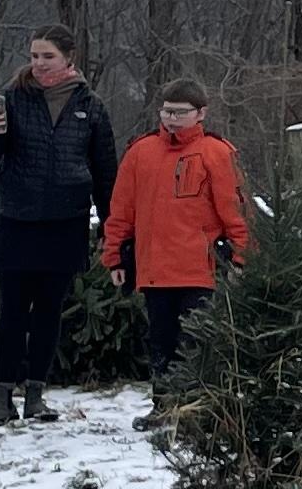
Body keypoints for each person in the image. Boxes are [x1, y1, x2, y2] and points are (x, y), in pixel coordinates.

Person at [0, 22, 117, 425]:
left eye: (48, 56)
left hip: (67, 221)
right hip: (17, 219)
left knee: (48, 311)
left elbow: (104, 171)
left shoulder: (90, 105)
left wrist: (111, 225)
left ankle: (35, 394)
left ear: (69, 59)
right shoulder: (13, 98)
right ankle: (1, 397)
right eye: (34, 56)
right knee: (12, 310)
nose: (39, 63)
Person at [102, 79, 253, 416]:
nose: (171, 119)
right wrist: (115, 256)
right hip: (154, 269)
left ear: (201, 113)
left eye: (180, 113)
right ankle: (164, 405)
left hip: (202, 269)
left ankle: (197, 408)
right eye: (167, 111)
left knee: (196, 342)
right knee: (160, 343)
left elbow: (235, 210)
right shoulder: (140, 151)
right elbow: (121, 210)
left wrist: (241, 255)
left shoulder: (217, 152)